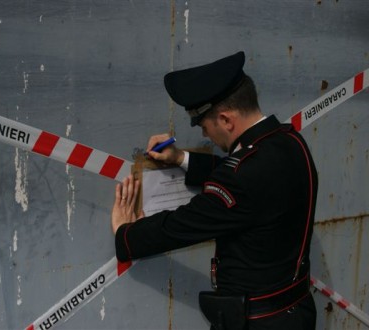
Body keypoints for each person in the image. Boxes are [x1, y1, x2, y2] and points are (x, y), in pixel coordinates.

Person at [111, 51, 318, 330]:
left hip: (257, 323)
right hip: (297, 311)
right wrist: (180, 158)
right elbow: (249, 182)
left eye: (204, 125)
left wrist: (127, 235)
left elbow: (182, 225)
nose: (204, 135)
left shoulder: (244, 176)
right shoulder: (290, 142)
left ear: (226, 120)